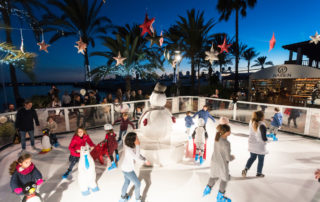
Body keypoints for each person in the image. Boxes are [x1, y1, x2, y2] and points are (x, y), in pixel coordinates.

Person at [203, 124, 234, 202]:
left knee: (214, 176)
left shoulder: (217, 138)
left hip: (214, 161)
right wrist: (232, 157)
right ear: (226, 132)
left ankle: (207, 189)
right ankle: (220, 197)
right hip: (222, 163)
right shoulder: (226, 143)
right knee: (224, 179)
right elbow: (228, 158)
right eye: (229, 130)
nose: (230, 132)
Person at [119, 132, 149, 202]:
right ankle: (138, 199)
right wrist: (138, 145)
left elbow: (138, 154)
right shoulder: (129, 149)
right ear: (133, 140)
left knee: (127, 182)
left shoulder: (130, 146)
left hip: (125, 168)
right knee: (138, 183)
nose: (138, 139)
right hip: (128, 170)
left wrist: (145, 160)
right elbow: (137, 157)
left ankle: (123, 198)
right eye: (136, 138)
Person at [242, 111, 268, 178]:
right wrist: (269, 140)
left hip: (252, 143)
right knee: (261, 159)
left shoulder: (251, 121)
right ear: (262, 117)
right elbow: (264, 138)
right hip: (260, 145)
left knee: (252, 157)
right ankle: (259, 173)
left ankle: (245, 169)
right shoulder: (262, 125)